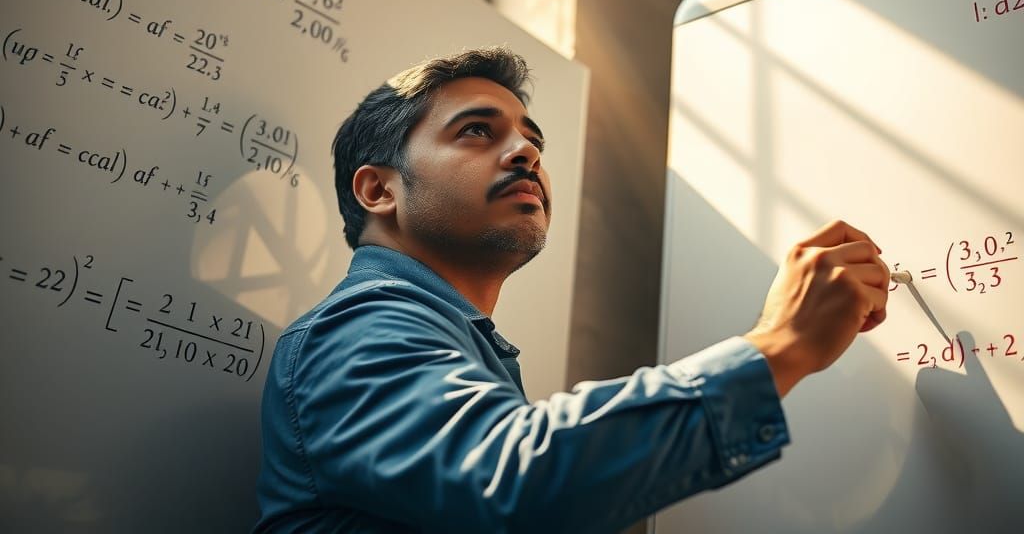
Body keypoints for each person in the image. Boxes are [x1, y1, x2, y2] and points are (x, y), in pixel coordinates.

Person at [254, 47, 890, 533]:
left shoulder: (452, 344)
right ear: (379, 191)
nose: (526, 154)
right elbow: (517, 480)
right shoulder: (356, 329)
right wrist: (780, 346)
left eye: (532, 140)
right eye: (477, 131)